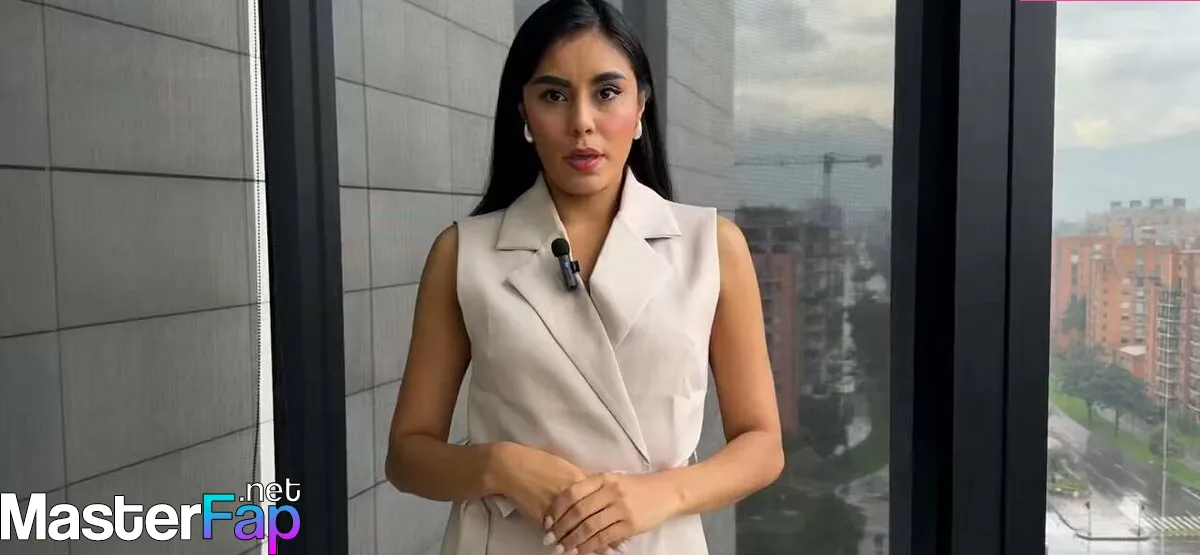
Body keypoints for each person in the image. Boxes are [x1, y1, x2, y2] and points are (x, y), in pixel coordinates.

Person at [384, 1, 783, 553]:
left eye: (607, 92)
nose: (581, 122)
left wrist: (662, 494)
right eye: (553, 96)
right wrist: (499, 466)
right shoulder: (462, 253)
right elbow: (407, 456)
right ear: (523, 113)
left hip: (655, 540)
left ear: (640, 108)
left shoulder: (712, 246)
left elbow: (762, 446)